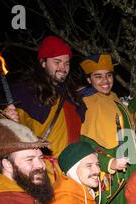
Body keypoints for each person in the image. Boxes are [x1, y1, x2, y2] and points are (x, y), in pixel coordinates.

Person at [8, 35, 85, 181]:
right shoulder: (25, 94)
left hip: (70, 171)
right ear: (43, 63)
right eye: (57, 62)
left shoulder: (72, 96)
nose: (63, 68)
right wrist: (7, 119)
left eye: (66, 63)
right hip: (40, 171)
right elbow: (10, 136)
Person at [78, 53, 136, 204]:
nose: (105, 81)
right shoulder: (87, 103)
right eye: (98, 76)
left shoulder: (114, 97)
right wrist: (109, 163)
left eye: (109, 75)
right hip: (110, 176)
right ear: (89, 79)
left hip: (130, 168)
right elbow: (87, 143)